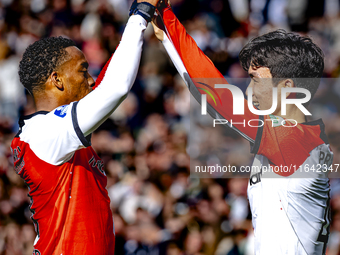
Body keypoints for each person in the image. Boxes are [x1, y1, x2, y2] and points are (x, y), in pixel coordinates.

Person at [152, 1, 332, 254]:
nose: (249, 90)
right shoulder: (293, 140)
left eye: (256, 80)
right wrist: (166, 35)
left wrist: (167, 19)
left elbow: (220, 98)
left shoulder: (295, 141)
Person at [10, 0, 159, 254]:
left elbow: (105, 85)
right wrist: (140, 14)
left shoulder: (55, 133)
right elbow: (114, 88)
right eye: (82, 71)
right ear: (56, 80)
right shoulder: (44, 132)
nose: (90, 81)